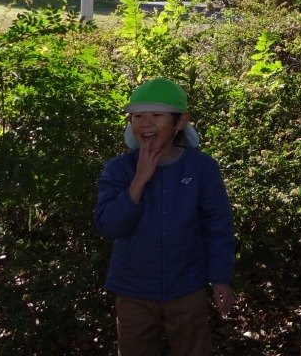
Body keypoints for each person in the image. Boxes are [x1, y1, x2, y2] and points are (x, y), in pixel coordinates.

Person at [94, 78, 235, 356]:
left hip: (187, 287)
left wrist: (221, 277)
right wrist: (139, 180)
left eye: (156, 115)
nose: (145, 124)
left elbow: (217, 225)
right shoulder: (119, 169)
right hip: (133, 289)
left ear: (180, 122)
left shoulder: (201, 167)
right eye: (137, 116)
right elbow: (109, 226)